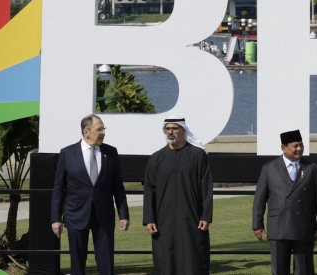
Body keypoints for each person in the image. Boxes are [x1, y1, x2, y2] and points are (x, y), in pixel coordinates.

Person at [50, 114, 130, 275]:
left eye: (103, 129)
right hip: (76, 215)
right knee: (77, 262)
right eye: (99, 129)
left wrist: (124, 214)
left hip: (104, 216)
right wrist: (56, 218)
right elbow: (58, 188)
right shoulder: (67, 153)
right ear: (86, 132)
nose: (103, 133)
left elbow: (118, 187)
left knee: (106, 260)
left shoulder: (111, 152)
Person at [143, 117, 214, 274]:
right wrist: (149, 219)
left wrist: (206, 216)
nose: (170, 132)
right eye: (167, 129)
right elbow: (149, 190)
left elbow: (206, 188)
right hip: (163, 221)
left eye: (174, 128)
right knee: (165, 260)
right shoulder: (156, 158)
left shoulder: (198, 156)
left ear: (183, 131)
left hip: (193, 219)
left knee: (193, 259)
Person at [253, 129, 317, 274]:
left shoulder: (313, 169)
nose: (299, 149)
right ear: (284, 148)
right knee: (279, 270)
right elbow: (259, 199)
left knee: (304, 270)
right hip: (278, 227)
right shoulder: (269, 168)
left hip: (304, 227)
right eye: (295, 146)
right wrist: (257, 225)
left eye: (301, 145)